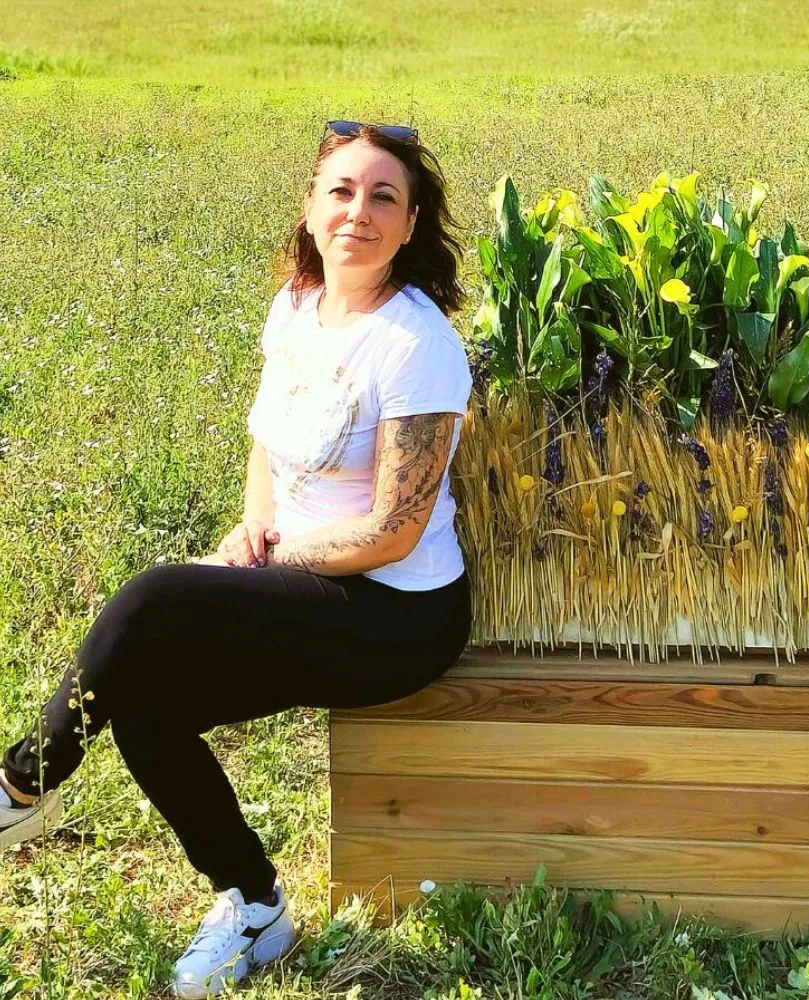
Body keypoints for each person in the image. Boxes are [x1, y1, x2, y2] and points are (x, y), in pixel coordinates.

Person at [0, 120, 474, 998]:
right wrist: (248, 528)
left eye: (383, 198)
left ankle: (21, 784)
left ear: (411, 225)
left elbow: (392, 533)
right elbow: (268, 444)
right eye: (340, 191)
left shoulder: (418, 347)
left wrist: (264, 563)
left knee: (150, 603)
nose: (358, 212)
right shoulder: (297, 304)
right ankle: (255, 908)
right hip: (297, 581)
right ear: (310, 205)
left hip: (394, 615)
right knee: (144, 701)